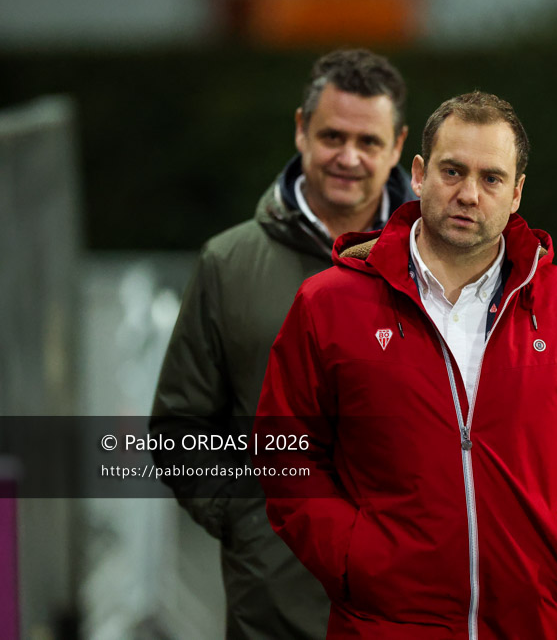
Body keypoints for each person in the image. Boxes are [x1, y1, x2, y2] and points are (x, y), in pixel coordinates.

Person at [254, 91, 557, 638]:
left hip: (537, 623)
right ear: (419, 175)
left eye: (491, 179)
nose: (469, 194)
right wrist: (353, 559)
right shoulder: (328, 305)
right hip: (383, 625)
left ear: (516, 194)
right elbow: (284, 451)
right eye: (452, 171)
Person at [150, 48, 414, 639]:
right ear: (301, 130)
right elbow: (178, 429)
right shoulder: (228, 263)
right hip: (273, 609)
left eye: (368, 142)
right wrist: (250, 522)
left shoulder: (447, 266)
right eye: (332, 136)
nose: (349, 158)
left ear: (397, 148)